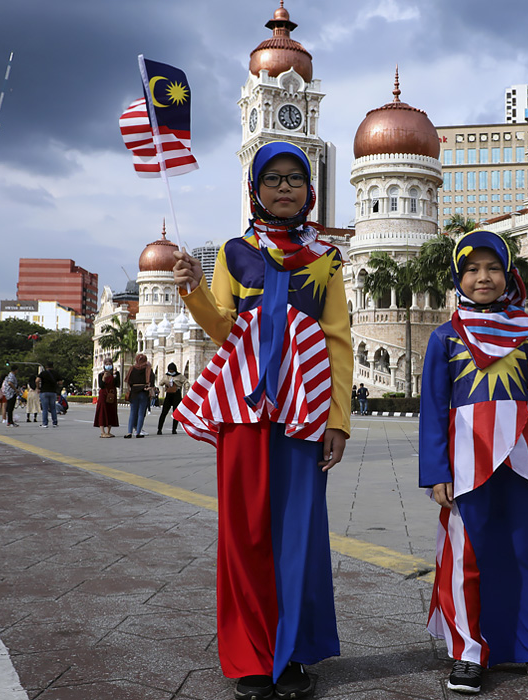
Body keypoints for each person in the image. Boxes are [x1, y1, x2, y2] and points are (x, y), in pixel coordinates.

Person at [170, 141, 351, 700]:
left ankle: (291, 653)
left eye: (295, 178)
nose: (284, 187)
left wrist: (338, 420)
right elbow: (224, 328)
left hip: (304, 410)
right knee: (244, 531)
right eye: (272, 178)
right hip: (244, 409)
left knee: (298, 533)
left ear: (310, 190)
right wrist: (193, 290)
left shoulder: (326, 258)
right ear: (255, 189)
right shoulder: (234, 252)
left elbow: (338, 340)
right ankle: (251, 655)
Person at [419, 231, 528, 695]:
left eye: (493, 268)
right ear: (458, 277)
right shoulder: (445, 336)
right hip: (465, 460)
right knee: (465, 557)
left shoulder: (526, 333)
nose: (483, 277)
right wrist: (436, 472)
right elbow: (432, 408)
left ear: (508, 275)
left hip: (520, 456)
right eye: (472, 269)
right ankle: (468, 653)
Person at [123, 354, 154, 438]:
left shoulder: (132, 368)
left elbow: (128, 381)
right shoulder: (148, 369)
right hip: (144, 392)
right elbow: (151, 382)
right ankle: (138, 432)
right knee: (141, 413)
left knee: (132, 412)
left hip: (134, 392)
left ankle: (129, 432)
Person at [156, 362, 186, 435]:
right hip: (169, 394)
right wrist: (165, 385)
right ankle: (159, 429)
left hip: (176, 394)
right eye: (170, 371)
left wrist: (186, 388)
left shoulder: (179, 376)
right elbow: (160, 383)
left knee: (175, 412)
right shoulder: (166, 376)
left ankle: (174, 429)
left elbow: (185, 382)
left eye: (172, 371)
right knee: (164, 412)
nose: (171, 372)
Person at [94, 357, 120, 438]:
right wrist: (104, 377)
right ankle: (103, 432)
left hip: (112, 394)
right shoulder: (101, 374)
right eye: (107, 364)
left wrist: (115, 376)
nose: (108, 366)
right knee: (102, 412)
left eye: (110, 364)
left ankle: (108, 431)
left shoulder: (115, 373)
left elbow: (118, 384)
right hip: (103, 394)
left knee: (111, 411)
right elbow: (101, 385)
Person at [37, 362, 61, 428]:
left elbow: (37, 380)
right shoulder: (56, 373)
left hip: (44, 392)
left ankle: (45, 423)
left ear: (46, 366)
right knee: (53, 408)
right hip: (53, 392)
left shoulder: (43, 373)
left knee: (45, 408)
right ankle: (55, 423)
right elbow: (60, 382)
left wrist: (38, 388)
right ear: (52, 366)